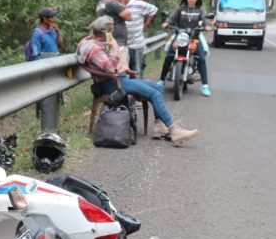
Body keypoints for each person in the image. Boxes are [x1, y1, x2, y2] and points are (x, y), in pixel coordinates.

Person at [77, 16, 199, 145]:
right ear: (106, 32)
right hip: (112, 83)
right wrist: (114, 48)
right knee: (155, 94)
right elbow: (112, 68)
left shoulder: (88, 41)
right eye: (111, 31)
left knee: (157, 87)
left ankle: (159, 127)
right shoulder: (94, 49)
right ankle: (174, 131)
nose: (113, 34)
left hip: (117, 78)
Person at [158, 0, 213, 97]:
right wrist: (166, 23)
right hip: (180, 37)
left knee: (201, 58)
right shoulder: (180, 9)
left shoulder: (200, 10)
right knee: (169, 55)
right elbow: (171, 18)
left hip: (195, 37)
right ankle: (161, 81)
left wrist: (207, 26)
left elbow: (205, 19)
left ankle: (205, 85)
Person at [95, 0, 132, 70]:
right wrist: (122, 2)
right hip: (118, 44)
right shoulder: (112, 3)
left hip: (107, 42)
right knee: (122, 70)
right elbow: (129, 16)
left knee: (112, 70)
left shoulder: (100, 2)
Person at [125, 0, 158, 78]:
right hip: (124, 44)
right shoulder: (125, 3)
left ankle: (138, 89)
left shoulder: (142, 5)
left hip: (137, 43)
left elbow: (154, 10)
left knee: (137, 69)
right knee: (131, 70)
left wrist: (146, 24)